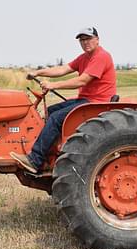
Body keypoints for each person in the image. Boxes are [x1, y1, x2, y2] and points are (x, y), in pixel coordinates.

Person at [10, 26, 116, 173]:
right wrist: (38, 72)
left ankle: (35, 160)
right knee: (51, 111)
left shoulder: (101, 56)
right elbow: (63, 69)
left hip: (97, 103)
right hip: (86, 100)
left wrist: (53, 85)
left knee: (55, 119)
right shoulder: (84, 57)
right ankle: (51, 154)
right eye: (82, 40)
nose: (85, 42)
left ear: (97, 40)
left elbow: (82, 81)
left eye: (88, 39)